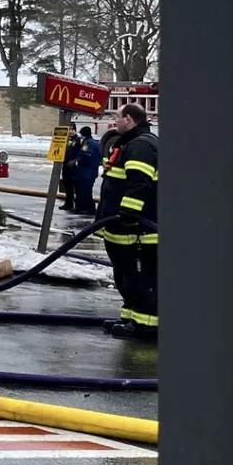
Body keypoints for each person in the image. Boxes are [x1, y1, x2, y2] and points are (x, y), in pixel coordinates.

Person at [96, 103, 159, 341]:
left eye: (117, 117)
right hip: (121, 229)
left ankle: (146, 325)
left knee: (140, 277)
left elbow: (139, 184)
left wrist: (129, 215)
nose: (115, 121)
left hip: (137, 231)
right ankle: (131, 318)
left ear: (130, 120)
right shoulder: (130, 144)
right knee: (125, 277)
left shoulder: (141, 146)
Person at [72, 126, 101, 216]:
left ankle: (86, 208)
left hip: (86, 171)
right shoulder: (95, 143)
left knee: (84, 191)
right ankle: (85, 208)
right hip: (91, 171)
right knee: (86, 190)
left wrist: (76, 161)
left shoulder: (88, 143)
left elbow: (86, 156)